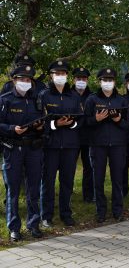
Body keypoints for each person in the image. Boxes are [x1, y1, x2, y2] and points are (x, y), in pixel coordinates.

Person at [0, 65, 45, 241]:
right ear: (14, 80)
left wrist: (41, 128)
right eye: (22, 79)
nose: (25, 82)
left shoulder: (37, 100)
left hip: (33, 148)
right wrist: (12, 129)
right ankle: (14, 228)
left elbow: (43, 123)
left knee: (34, 188)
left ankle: (33, 224)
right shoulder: (5, 100)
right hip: (13, 149)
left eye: (28, 80)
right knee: (13, 190)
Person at [39, 60, 83, 227]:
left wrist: (71, 123)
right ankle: (46, 216)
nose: (60, 76)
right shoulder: (44, 95)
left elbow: (81, 120)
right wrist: (55, 124)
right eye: (57, 73)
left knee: (67, 181)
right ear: (51, 76)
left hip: (70, 145)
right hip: (50, 145)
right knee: (48, 181)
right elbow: (39, 121)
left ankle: (66, 214)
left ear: (67, 76)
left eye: (63, 73)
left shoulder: (74, 96)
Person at [84, 68, 129, 223]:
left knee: (117, 179)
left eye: (110, 80)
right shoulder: (91, 99)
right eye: (105, 80)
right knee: (98, 179)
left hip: (118, 144)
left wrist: (119, 121)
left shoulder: (122, 100)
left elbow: (128, 123)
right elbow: (84, 123)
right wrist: (95, 119)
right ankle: (101, 211)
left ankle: (118, 211)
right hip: (98, 145)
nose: (108, 83)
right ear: (100, 82)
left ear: (114, 82)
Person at [71, 67, 94, 203]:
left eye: (83, 79)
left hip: (87, 136)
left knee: (88, 167)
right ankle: (68, 194)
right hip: (71, 136)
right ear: (74, 80)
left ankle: (88, 195)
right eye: (78, 78)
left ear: (87, 80)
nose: (81, 81)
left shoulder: (91, 96)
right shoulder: (68, 94)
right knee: (69, 167)